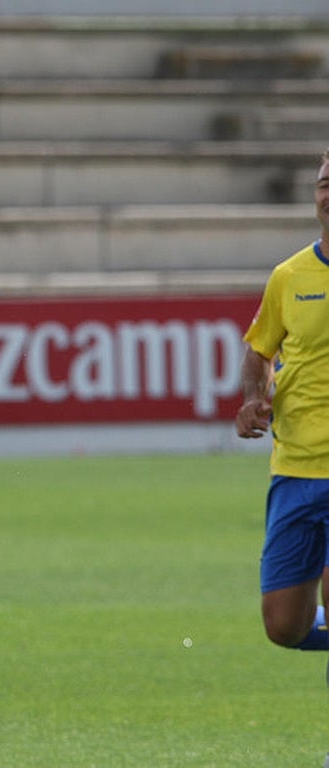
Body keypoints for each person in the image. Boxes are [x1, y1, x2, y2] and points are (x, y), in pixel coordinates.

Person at [235, 148, 329, 656]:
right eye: (323, 183)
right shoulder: (289, 276)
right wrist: (253, 397)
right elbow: (259, 351)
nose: (328, 192)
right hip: (294, 469)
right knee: (285, 626)